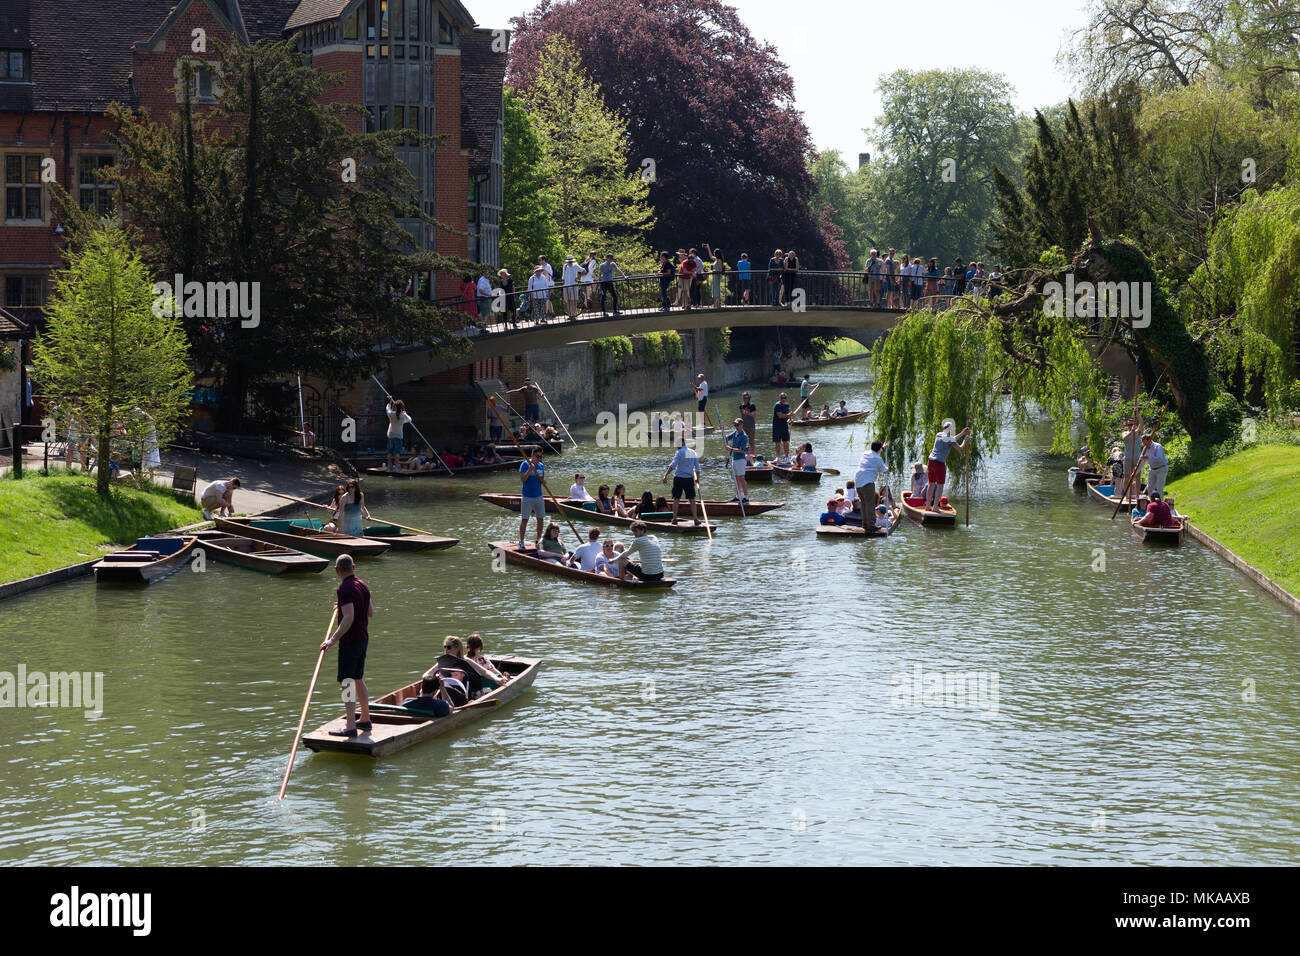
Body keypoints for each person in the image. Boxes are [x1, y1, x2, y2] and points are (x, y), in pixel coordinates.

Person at [319, 554, 373, 737]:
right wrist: (341, 606)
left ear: (336, 570)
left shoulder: (344, 589)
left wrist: (332, 640)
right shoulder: (362, 585)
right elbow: (370, 612)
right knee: (358, 678)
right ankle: (365, 719)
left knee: (347, 682)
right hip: (363, 639)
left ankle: (350, 726)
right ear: (353, 567)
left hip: (350, 642)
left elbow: (349, 617)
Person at [424, 636, 497, 703]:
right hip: (448, 691)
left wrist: (497, 679)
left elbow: (485, 672)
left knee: (487, 691)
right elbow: (425, 675)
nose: (445, 649)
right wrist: (435, 678)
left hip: (467, 693)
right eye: (445, 647)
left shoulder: (466, 660)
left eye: (448, 647)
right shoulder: (443, 661)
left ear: (456, 648)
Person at [925, 423, 969, 510]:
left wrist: (962, 433)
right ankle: (935, 508)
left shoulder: (938, 434)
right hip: (939, 464)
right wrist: (965, 441)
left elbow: (952, 439)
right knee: (940, 486)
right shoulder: (950, 439)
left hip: (930, 462)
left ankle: (927, 506)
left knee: (931, 484)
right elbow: (960, 449)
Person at [663, 436, 702, 525]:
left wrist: (665, 475)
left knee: (676, 499)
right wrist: (697, 479)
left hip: (679, 478)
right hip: (689, 479)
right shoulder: (693, 452)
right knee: (692, 499)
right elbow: (697, 468)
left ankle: (674, 519)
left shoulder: (679, 452)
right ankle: (695, 519)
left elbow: (673, 465)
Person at [517, 447, 546, 550]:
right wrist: (530, 469)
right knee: (525, 519)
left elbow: (542, 479)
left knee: (540, 519)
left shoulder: (541, 465)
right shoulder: (525, 464)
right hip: (527, 496)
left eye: (540, 456)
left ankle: (538, 540)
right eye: (537, 456)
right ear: (532, 455)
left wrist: (543, 481)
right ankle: (521, 541)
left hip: (538, 496)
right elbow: (523, 479)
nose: (539, 458)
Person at [855, 440, 888, 509]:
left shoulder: (865, 453)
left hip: (858, 482)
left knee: (863, 504)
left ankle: (864, 520)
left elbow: (875, 452)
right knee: (870, 505)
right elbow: (884, 470)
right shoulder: (878, 458)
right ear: (879, 449)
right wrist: (887, 467)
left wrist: (882, 448)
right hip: (867, 483)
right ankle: (871, 520)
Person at [725, 418, 751, 502]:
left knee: (741, 478)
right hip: (734, 459)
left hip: (740, 460)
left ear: (741, 425)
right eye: (735, 425)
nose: (735, 426)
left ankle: (746, 497)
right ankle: (738, 496)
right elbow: (726, 438)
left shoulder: (744, 436)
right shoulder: (735, 433)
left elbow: (742, 450)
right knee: (736, 478)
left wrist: (731, 449)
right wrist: (722, 430)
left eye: (737, 425)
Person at [385, 398, 412, 470]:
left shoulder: (391, 414)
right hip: (398, 435)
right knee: (397, 452)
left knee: (390, 451)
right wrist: (405, 415)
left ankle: (389, 465)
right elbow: (409, 420)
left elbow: (387, 409)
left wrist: (389, 403)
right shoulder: (403, 415)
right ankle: (397, 465)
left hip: (390, 434)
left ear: (395, 406)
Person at [1141, 433, 1169, 498]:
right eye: (1143, 444)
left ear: (1149, 440)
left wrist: (1148, 457)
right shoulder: (1144, 448)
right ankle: (1152, 504)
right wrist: (1135, 472)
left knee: (1159, 488)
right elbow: (1142, 461)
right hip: (1152, 469)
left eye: (1145, 443)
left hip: (1161, 468)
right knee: (1150, 488)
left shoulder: (1158, 446)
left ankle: (1160, 505)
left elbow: (1159, 458)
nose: (1144, 445)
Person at [772, 392, 792, 463]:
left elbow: (788, 415)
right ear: (780, 398)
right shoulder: (778, 405)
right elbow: (780, 416)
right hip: (777, 426)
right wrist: (788, 415)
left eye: (785, 398)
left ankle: (787, 458)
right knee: (777, 442)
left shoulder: (787, 405)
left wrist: (790, 419)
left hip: (784, 426)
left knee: (786, 442)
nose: (783, 399)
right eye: (782, 398)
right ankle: (778, 457)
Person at [738, 392, 757, 461]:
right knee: (743, 442)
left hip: (751, 426)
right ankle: (744, 456)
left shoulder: (752, 405)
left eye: (747, 398)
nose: (745, 399)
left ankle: (752, 456)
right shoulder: (741, 406)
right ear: (742, 398)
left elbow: (754, 415)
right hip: (744, 426)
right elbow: (742, 417)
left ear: (749, 398)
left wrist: (747, 412)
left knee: (751, 442)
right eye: (744, 398)